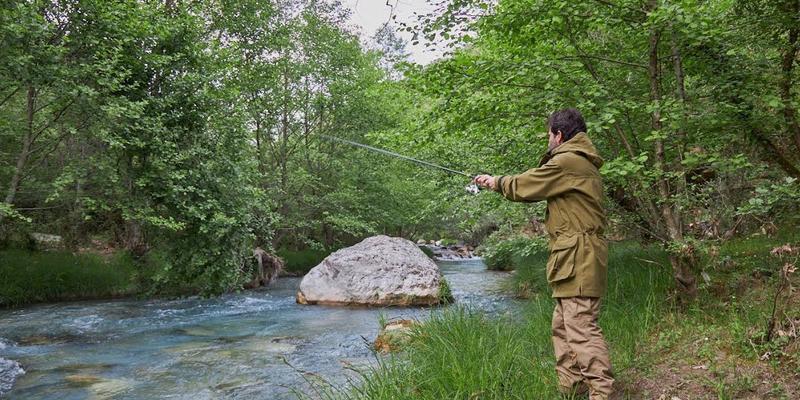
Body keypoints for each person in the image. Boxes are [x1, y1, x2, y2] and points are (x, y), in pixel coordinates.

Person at [474, 108, 614, 399]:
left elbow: (527, 184)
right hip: (573, 255)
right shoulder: (578, 162)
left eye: (548, 135)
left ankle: (602, 393)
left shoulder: (568, 162)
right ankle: (571, 391)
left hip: (579, 255)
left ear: (559, 135)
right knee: (563, 327)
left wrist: (494, 181)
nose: (547, 140)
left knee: (581, 327)